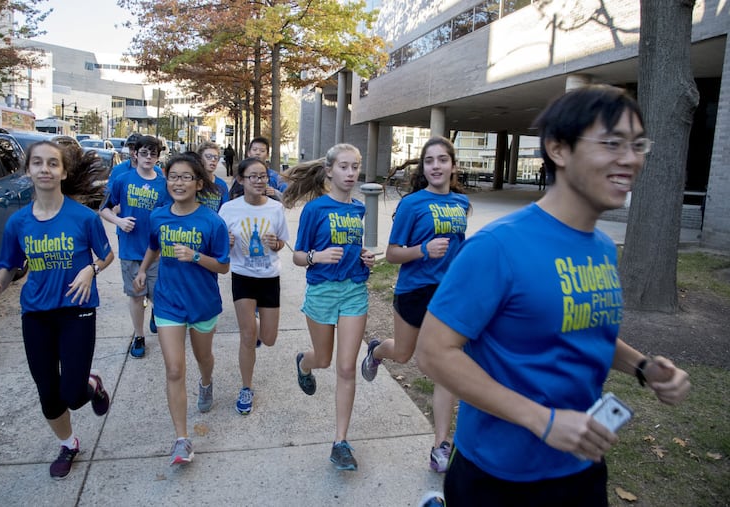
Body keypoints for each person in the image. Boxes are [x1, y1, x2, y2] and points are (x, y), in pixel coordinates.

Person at [415, 85, 691, 506]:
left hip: (581, 468)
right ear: (558, 150)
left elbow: (578, 327)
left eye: (638, 145)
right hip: (498, 476)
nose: (631, 158)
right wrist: (542, 420)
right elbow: (434, 353)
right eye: (612, 143)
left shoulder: (600, 246)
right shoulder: (498, 247)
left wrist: (643, 366)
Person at [0, 141, 114, 479]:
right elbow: (9, 264)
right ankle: (69, 444)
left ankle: (91, 383)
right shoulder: (18, 222)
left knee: (72, 392)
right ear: (28, 171)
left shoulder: (83, 217)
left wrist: (91, 269)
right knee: (48, 393)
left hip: (77, 310)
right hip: (36, 313)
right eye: (37, 163)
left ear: (63, 172)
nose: (44, 169)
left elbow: (106, 255)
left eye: (52, 163)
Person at [360, 135, 470, 473]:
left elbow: (459, 246)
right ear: (423, 168)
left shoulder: (462, 203)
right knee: (404, 354)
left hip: (449, 294)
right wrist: (424, 250)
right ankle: (377, 350)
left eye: (442, 159)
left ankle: (440, 444)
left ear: (453, 165)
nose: (436, 166)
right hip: (414, 290)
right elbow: (392, 254)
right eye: (429, 161)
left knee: (446, 368)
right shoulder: (411, 204)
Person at [282, 144, 376, 471]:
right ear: (330, 171)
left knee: (346, 368)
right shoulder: (315, 210)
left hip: (354, 291)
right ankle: (303, 364)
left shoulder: (361, 209)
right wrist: (316, 257)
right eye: (345, 167)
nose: (351, 174)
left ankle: (340, 442)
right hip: (321, 291)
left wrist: (366, 257)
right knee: (322, 359)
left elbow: (360, 249)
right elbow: (297, 255)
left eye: (356, 167)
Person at [134, 152, 230, 465]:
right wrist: (141, 270)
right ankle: (181, 440)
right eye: (173, 176)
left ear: (198, 183)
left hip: (202, 304)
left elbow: (224, 266)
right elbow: (153, 245)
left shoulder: (212, 221)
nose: (178, 182)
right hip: (168, 302)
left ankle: (206, 383)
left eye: (186, 177)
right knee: (174, 369)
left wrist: (197, 256)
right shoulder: (159, 215)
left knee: (203, 358)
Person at [219, 157, 290, 415]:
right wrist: (224, 243)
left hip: (269, 276)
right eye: (254, 176)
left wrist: (276, 244)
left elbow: (282, 242)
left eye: (263, 176)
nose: (260, 181)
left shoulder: (275, 208)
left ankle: (257, 327)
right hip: (243, 275)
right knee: (248, 336)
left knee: (268, 339)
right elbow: (219, 246)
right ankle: (246, 387)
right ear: (240, 180)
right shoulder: (228, 209)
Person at [100, 135, 171, 358]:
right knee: (136, 295)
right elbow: (104, 209)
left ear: (158, 157)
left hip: (157, 251)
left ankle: (154, 314)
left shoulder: (163, 184)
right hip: (130, 249)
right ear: (135, 154)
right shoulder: (123, 180)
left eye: (153, 153)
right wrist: (119, 221)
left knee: (158, 293)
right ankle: (139, 336)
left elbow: (169, 214)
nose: (148, 157)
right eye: (144, 153)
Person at [196, 141, 229, 212]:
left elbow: (225, 210)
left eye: (216, 157)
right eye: (208, 157)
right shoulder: (193, 182)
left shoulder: (221, 184)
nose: (213, 160)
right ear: (200, 159)